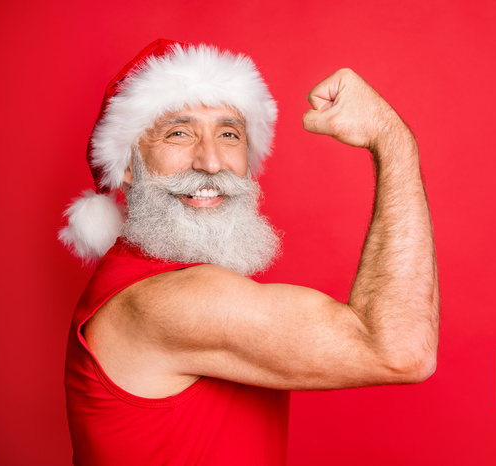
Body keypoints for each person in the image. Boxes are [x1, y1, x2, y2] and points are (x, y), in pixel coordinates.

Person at [60, 38, 439, 465]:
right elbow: (400, 350)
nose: (212, 162)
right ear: (129, 165)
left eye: (228, 133)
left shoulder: (159, 277)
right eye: (179, 133)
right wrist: (394, 142)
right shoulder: (163, 302)